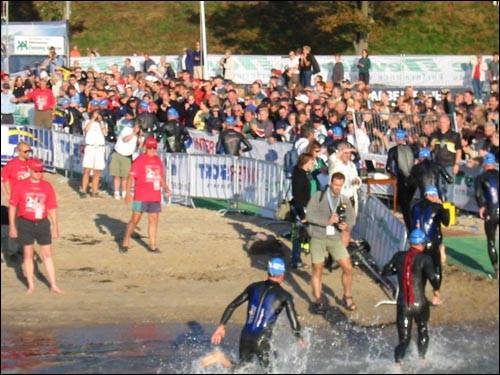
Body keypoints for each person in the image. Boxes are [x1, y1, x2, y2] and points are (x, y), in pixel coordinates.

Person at [204, 257, 304, 370]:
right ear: (282, 274)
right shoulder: (285, 295)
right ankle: (220, 357)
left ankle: (220, 358)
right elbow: (293, 321)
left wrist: (221, 326)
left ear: (268, 271)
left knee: (241, 369)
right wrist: (298, 336)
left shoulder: (254, 287)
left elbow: (232, 305)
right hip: (261, 339)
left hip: (246, 336)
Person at [382, 228, 441, 366]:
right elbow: (433, 277)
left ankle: (397, 365)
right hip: (420, 303)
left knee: (404, 340)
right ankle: (422, 359)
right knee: (422, 329)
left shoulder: (399, 256)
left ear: (410, 243)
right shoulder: (425, 259)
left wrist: (399, 269)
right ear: (422, 244)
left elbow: (385, 271)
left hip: (403, 305)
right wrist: (436, 292)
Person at [8, 158, 62, 295]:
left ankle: (53, 284)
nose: (39, 173)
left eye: (41, 171)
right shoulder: (20, 186)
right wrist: (12, 226)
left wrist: (55, 226)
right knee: (28, 254)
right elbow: (13, 207)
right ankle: (31, 285)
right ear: (29, 170)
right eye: (36, 171)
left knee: (47, 254)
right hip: (25, 222)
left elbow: (52, 207)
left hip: (42, 223)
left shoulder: (47, 186)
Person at [306, 172, 357, 314]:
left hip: (335, 238)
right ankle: (318, 300)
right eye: (335, 185)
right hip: (318, 237)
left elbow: (351, 219)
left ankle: (347, 296)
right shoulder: (319, 196)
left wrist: (346, 226)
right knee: (318, 268)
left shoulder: (344, 200)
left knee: (347, 268)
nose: (338, 188)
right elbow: (309, 215)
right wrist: (327, 221)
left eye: (340, 185)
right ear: (330, 183)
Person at [120, 137, 172, 254]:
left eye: (154, 148)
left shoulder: (158, 160)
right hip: (140, 195)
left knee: (153, 219)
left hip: (155, 195)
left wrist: (166, 187)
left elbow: (160, 177)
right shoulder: (139, 160)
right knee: (135, 219)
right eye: (150, 148)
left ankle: (152, 245)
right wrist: (128, 193)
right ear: (145, 148)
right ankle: (126, 241)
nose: (152, 150)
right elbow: (131, 177)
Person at [410, 186, 450, 289]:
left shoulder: (415, 206)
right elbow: (446, 222)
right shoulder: (437, 207)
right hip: (432, 243)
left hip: (416, 243)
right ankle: (436, 294)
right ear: (434, 195)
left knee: (419, 268)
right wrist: (443, 207)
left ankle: (419, 293)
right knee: (436, 267)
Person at [475, 153, 499, 279]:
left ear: (485, 164)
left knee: (491, 241)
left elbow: (478, 194)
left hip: (492, 211)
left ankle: (497, 271)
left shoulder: (480, 177)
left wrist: (481, 207)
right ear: (494, 163)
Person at [385, 129, 415, 230]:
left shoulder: (393, 150)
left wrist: (394, 175)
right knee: (409, 203)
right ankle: (414, 225)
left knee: (404, 204)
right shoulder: (414, 148)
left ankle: (409, 227)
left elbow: (388, 168)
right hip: (413, 179)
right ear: (405, 138)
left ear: (396, 139)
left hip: (402, 179)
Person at [290, 153, 315, 269]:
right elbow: (298, 197)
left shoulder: (300, 172)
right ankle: (296, 260)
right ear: (305, 162)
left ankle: (299, 256)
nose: (313, 164)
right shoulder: (301, 176)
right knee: (297, 235)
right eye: (311, 162)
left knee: (302, 234)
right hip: (300, 209)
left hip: (302, 208)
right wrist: (303, 215)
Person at [429, 114, 462, 201]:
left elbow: (459, 150)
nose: (442, 124)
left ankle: (449, 207)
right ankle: (441, 206)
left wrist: (457, 164)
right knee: (439, 186)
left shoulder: (455, 135)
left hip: (449, 164)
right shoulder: (434, 135)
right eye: (440, 122)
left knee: (449, 187)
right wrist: (431, 146)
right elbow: (430, 149)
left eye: (444, 122)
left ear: (448, 123)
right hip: (437, 165)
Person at [109, 122, 141, 200]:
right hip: (118, 153)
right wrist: (133, 133)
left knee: (125, 176)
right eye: (136, 126)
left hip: (127, 156)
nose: (137, 129)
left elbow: (137, 148)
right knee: (116, 175)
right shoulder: (127, 130)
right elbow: (125, 139)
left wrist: (140, 142)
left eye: (139, 128)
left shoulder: (138, 137)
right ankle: (116, 192)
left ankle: (124, 192)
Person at [80, 110, 108, 198]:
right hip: (90, 147)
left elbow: (105, 133)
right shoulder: (87, 122)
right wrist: (92, 119)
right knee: (87, 170)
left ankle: (94, 191)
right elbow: (86, 130)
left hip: (100, 147)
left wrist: (101, 122)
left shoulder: (103, 123)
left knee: (97, 170)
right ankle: (84, 190)